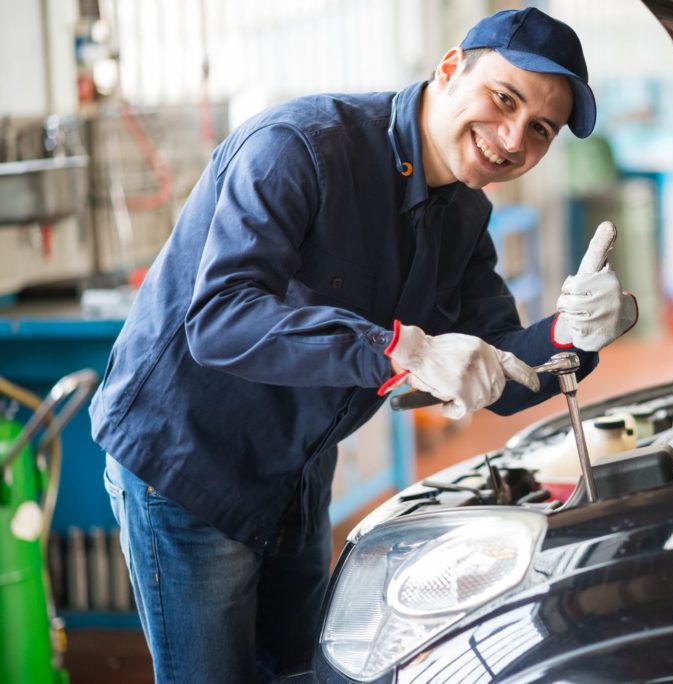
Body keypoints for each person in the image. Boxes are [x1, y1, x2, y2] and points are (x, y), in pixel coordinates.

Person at [92, 7, 637, 683]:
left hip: (297, 467)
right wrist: (399, 349)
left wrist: (572, 336)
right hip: (190, 463)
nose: (511, 137)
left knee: (302, 669)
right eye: (504, 99)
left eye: (540, 130)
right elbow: (221, 318)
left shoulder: (464, 212)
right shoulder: (302, 148)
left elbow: (502, 367)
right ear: (448, 68)